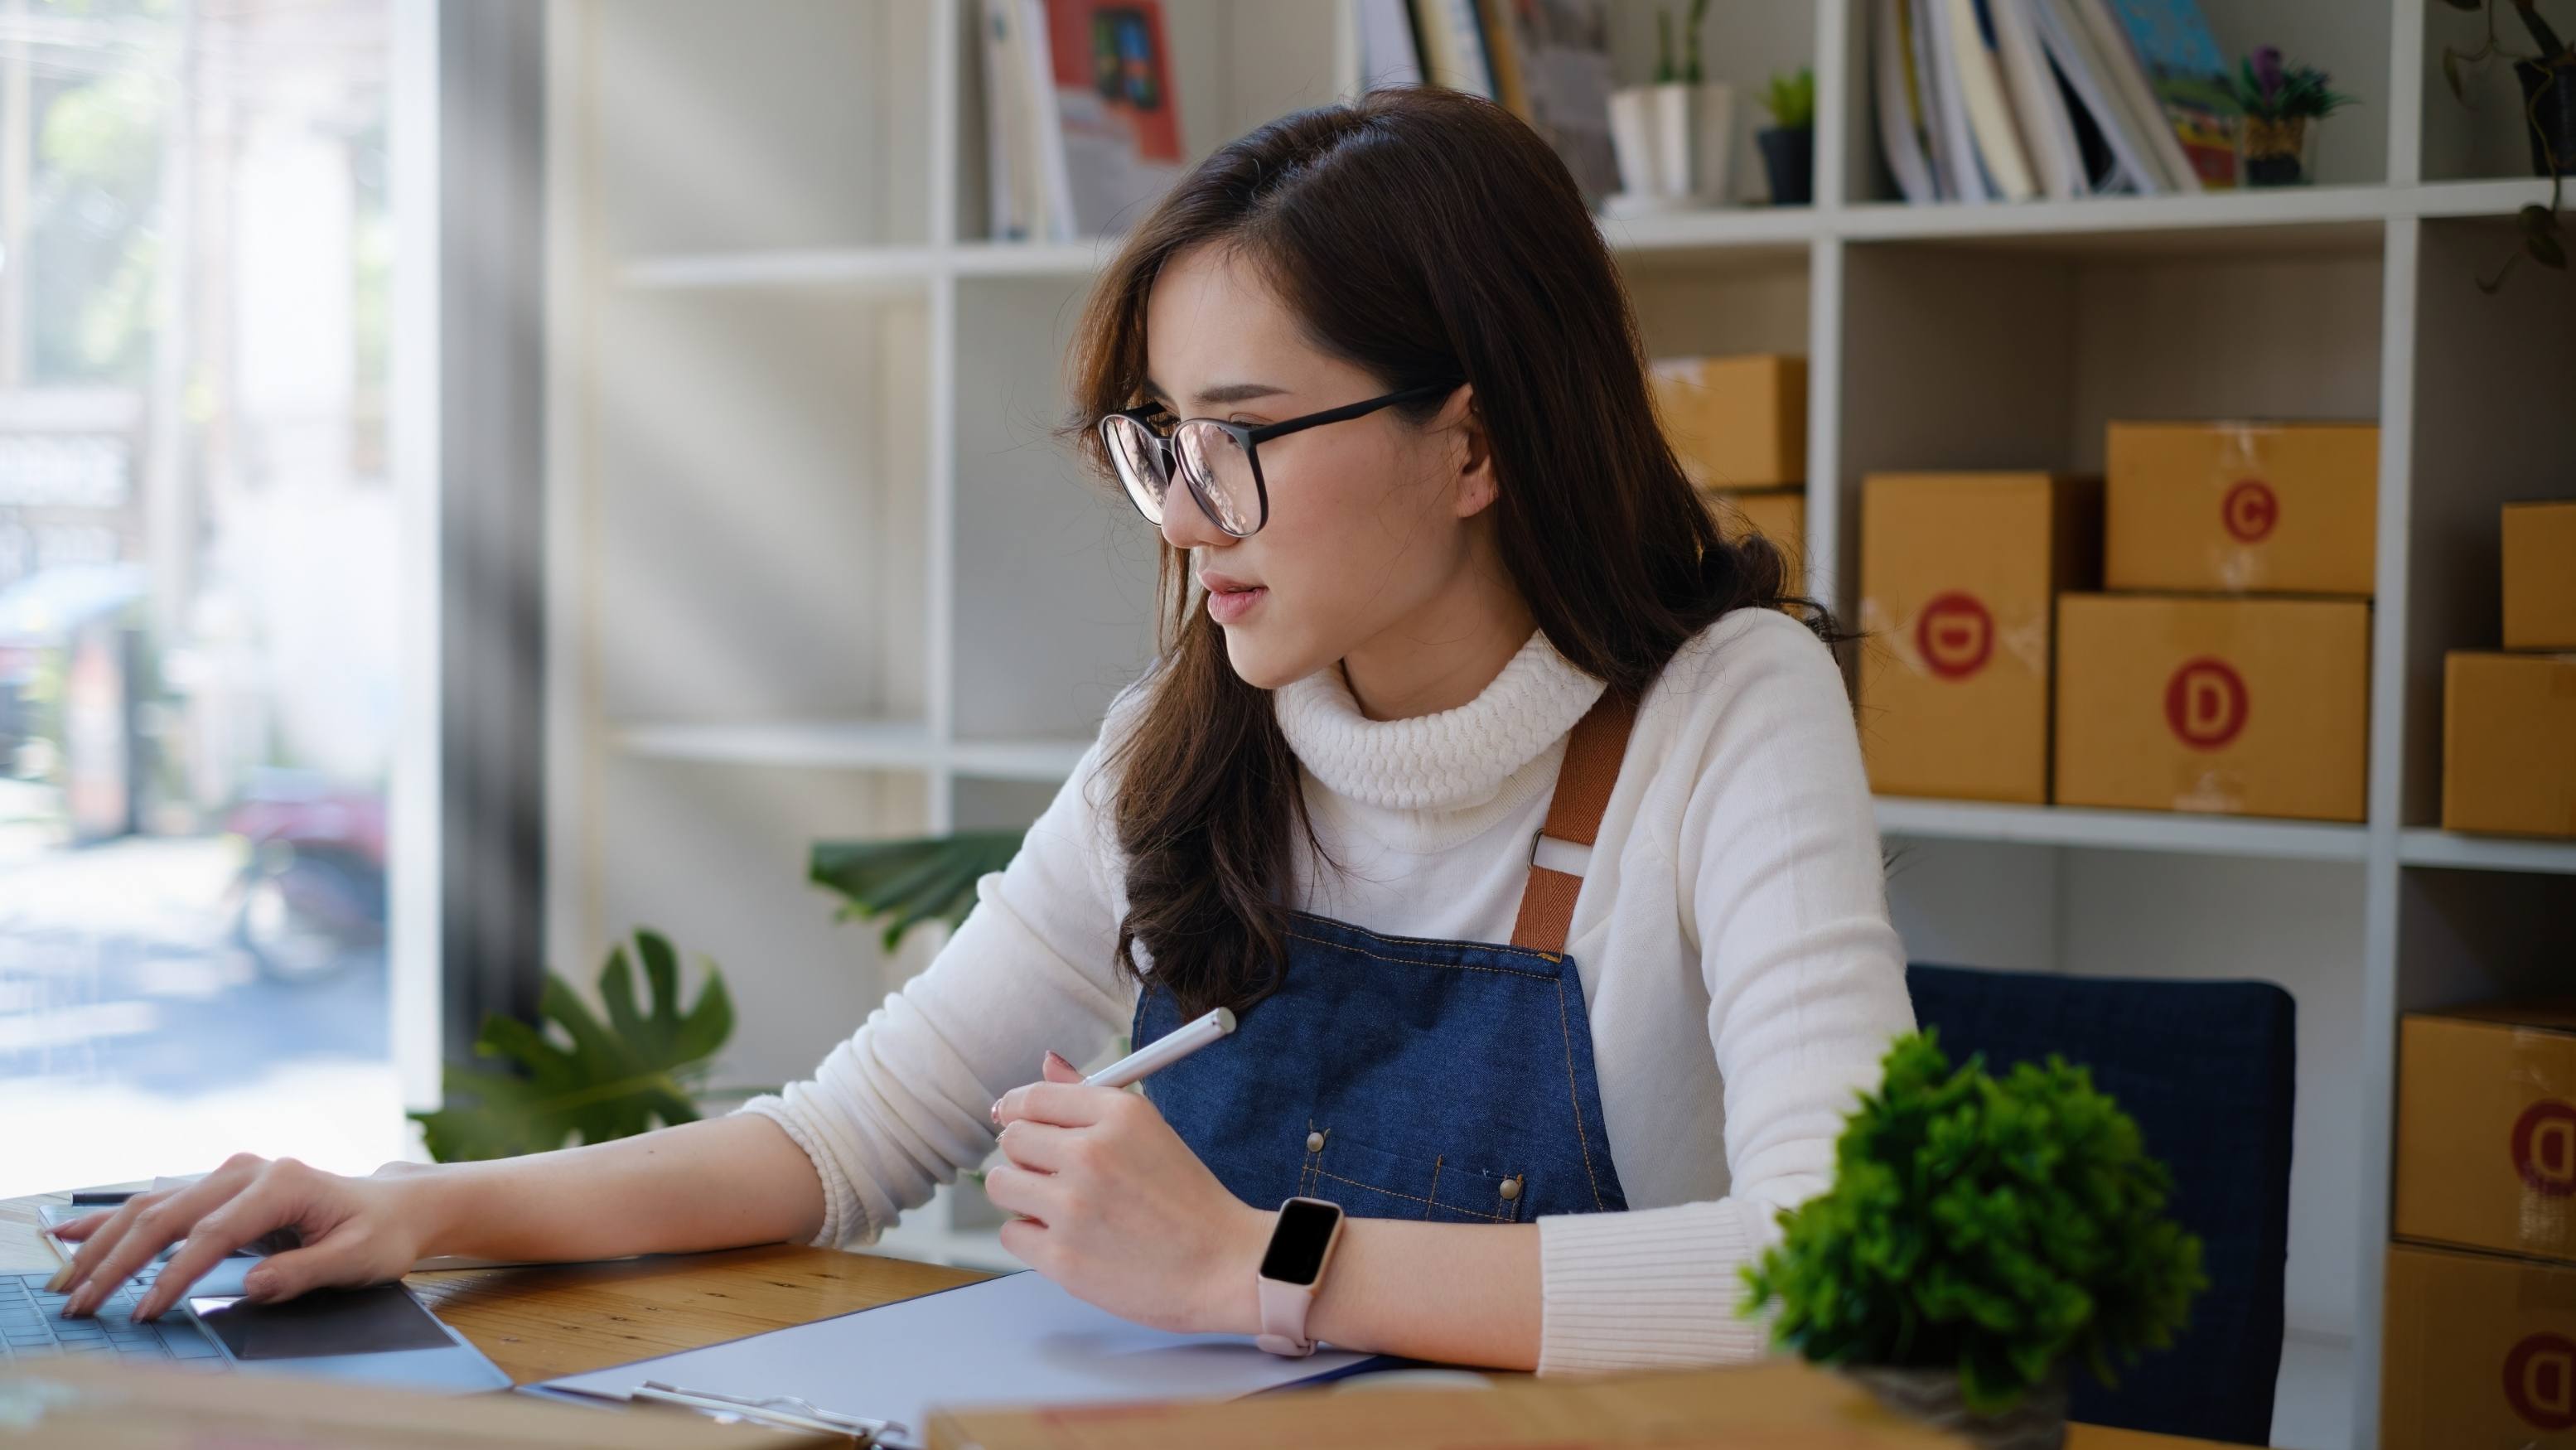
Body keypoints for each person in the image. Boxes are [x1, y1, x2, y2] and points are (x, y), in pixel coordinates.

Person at [49, 88, 1913, 1374]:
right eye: (1161, 443)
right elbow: (847, 1134)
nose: (1183, 514)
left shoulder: (1724, 715)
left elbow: (1843, 1263)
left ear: (1475, 441)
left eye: (1243, 439)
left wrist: (1252, 1264)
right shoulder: (1188, 741)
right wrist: (407, 1208)